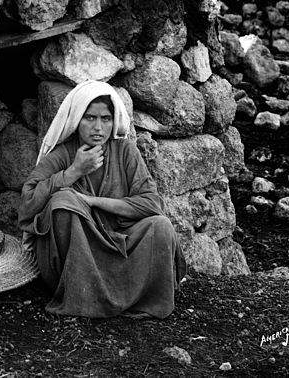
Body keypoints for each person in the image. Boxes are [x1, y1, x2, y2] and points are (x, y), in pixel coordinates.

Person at [18, 80, 186, 319]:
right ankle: (83, 297)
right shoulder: (62, 155)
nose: (98, 127)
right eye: (90, 118)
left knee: (161, 226)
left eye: (105, 119)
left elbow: (152, 204)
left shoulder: (125, 151)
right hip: (77, 257)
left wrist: (93, 201)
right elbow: (27, 204)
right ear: (77, 120)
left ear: (113, 120)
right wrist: (73, 172)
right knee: (63, 203)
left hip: (119, 242)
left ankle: (141, 300)